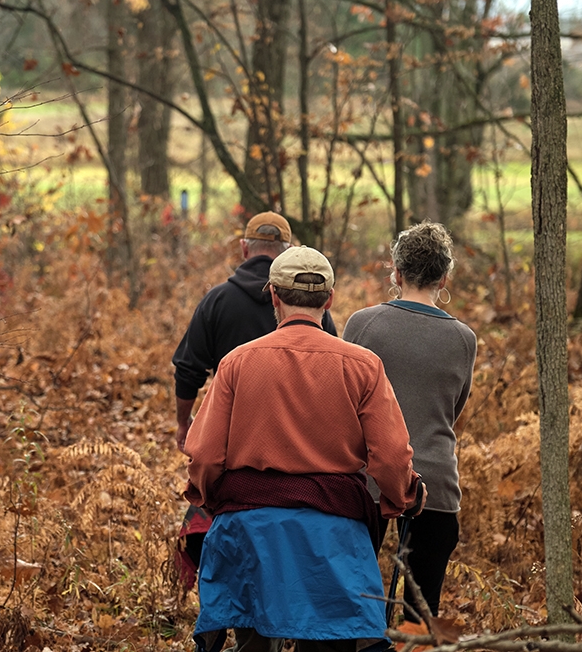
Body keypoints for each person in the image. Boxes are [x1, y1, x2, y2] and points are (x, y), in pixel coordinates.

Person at [184, 246, 426, 652]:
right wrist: (404, 495)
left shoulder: (236, 363)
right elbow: (391, 457)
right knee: (330, 641)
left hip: (249, 530)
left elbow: (206, 456)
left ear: (274, 296)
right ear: (329, 300)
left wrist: (206, 496)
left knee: (253, 641)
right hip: (332, 536)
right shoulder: (363, 365)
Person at [171, 212, 337, 584]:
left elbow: (188, 368)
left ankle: (224, 618)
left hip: (236, 450)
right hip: (302, 454)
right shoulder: (317, 312)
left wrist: (185, 423)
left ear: (245, 247)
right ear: (288, 251)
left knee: (228, 543)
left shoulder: (217, 301)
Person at [342, 221, 476, 621]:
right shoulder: (463, 338)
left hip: (366, 480)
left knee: (353, 605)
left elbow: (345, 402)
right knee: (421, 615)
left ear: (396, 273)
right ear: (444, 276)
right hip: (435, 483)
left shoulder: (362, 324)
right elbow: (453, 408)